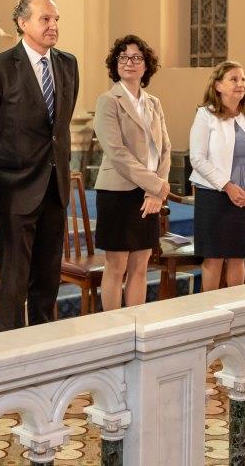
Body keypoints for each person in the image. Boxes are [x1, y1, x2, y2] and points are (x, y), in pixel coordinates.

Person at [0, 0, 79, 329]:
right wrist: (2, 172)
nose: (53, 26)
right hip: (14, 191)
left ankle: (46, 357)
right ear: (22, 23)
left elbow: (58, 128)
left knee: (47, 282)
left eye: (56, 19)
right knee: (14, 287)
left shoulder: (68, 64)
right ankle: (10, 363)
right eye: (45, 19)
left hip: (54, 189)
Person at [92, 35, 171, 310]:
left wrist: (154, 191)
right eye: (123, 57)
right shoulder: (108, 101)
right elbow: (117, 153)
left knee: (141, 263)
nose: (130, 62)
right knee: (117, 265)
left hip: (148, 193)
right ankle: (114, 332)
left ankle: (136, 327)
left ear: (146, 65)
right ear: (116, 64)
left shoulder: (154, 103)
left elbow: (165, 149)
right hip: (117, 192)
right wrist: (157, 185)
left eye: (137, 58)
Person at [189, 61, 245, 292]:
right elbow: (197, 158)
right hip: (214, 196)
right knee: (214, 258)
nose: (240, 84)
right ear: (218, 86)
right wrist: (227, 186)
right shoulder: (206, 115)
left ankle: (235, 310)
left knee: (239, 257)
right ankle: (210, 314)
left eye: (242, 79)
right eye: (233, 79)